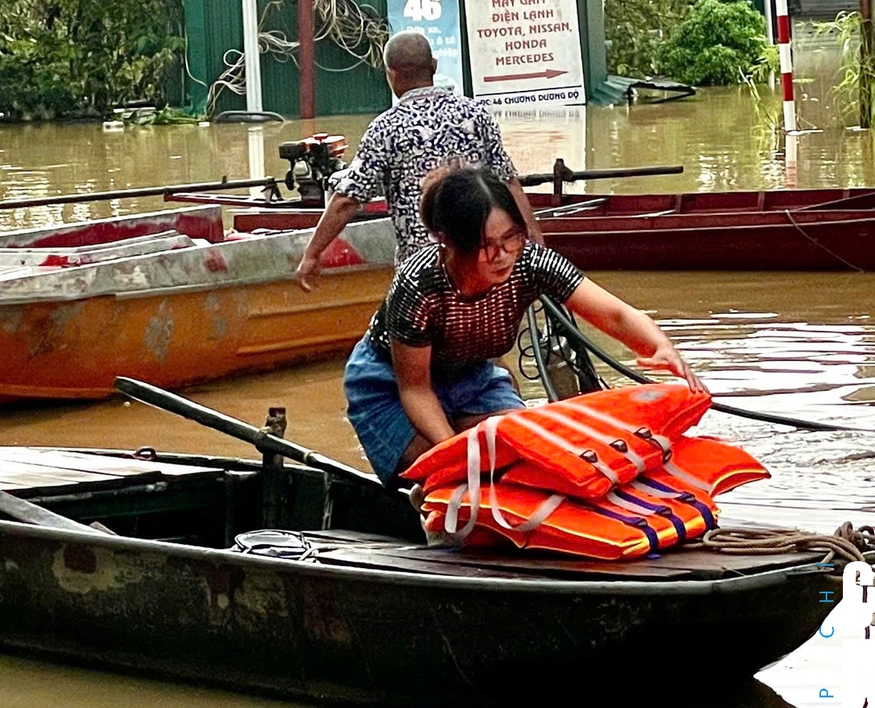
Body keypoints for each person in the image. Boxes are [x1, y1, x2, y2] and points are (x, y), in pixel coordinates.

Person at [342, 165, 697, 485]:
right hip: (390, 385)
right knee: (451, 472)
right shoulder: (419, 283)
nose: (502, 255)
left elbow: (614, 314)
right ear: (448, 240)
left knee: (528, 458)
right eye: (484, 245)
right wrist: (454, 452)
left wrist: (659, 344)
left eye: (511, 237)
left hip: (474, 378)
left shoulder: (530, 262)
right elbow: (415, 389)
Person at [294, 30, 537, 288]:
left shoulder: (386, 128)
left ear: (391, 74)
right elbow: (508, 181)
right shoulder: (476, 115)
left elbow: (347, 200)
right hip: (483, 261)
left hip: (421, 273)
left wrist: (312, 253)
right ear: (434, 66)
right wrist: (533, 237)